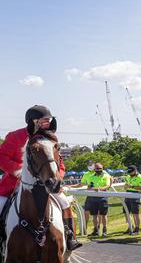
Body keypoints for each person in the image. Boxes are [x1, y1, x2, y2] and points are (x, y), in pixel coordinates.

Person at [0, 105, 82, 250]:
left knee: (64, 202)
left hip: (47, 182)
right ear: (34, 121)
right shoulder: (15, 136)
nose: (48, 123)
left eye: (48, 120)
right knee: (1, 205)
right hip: (16, 183)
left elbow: (60, 163)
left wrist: (58, 177)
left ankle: (70, 237)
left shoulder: (49, 137)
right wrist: (19, 172)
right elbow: (2, 157)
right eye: (45, 120)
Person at [86, 162, 112, 237]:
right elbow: (89, 187)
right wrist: (95, 189)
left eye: (100, 168)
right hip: (93, 198)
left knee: (103, 215)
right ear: (94, 169)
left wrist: (99, 189)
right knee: (94, 215)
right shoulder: (91, 176)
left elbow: (107, 186)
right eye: (97, 168)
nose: (99, 170)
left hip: (103, 198)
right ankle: (96, 230)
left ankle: (104, 230)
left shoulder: (106, 176)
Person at [123, 165, 141, 234]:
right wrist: (125, 186)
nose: (130, 173)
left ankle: (137, 228)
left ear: (135, 170)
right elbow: (125, 186)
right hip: (127, 194)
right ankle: (131, 226)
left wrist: (132, 186)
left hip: (135, 195)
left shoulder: (140, 177)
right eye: (129, 172)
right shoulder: (128, 176)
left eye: (131, 172)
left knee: (135, 213)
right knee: (126, 212)